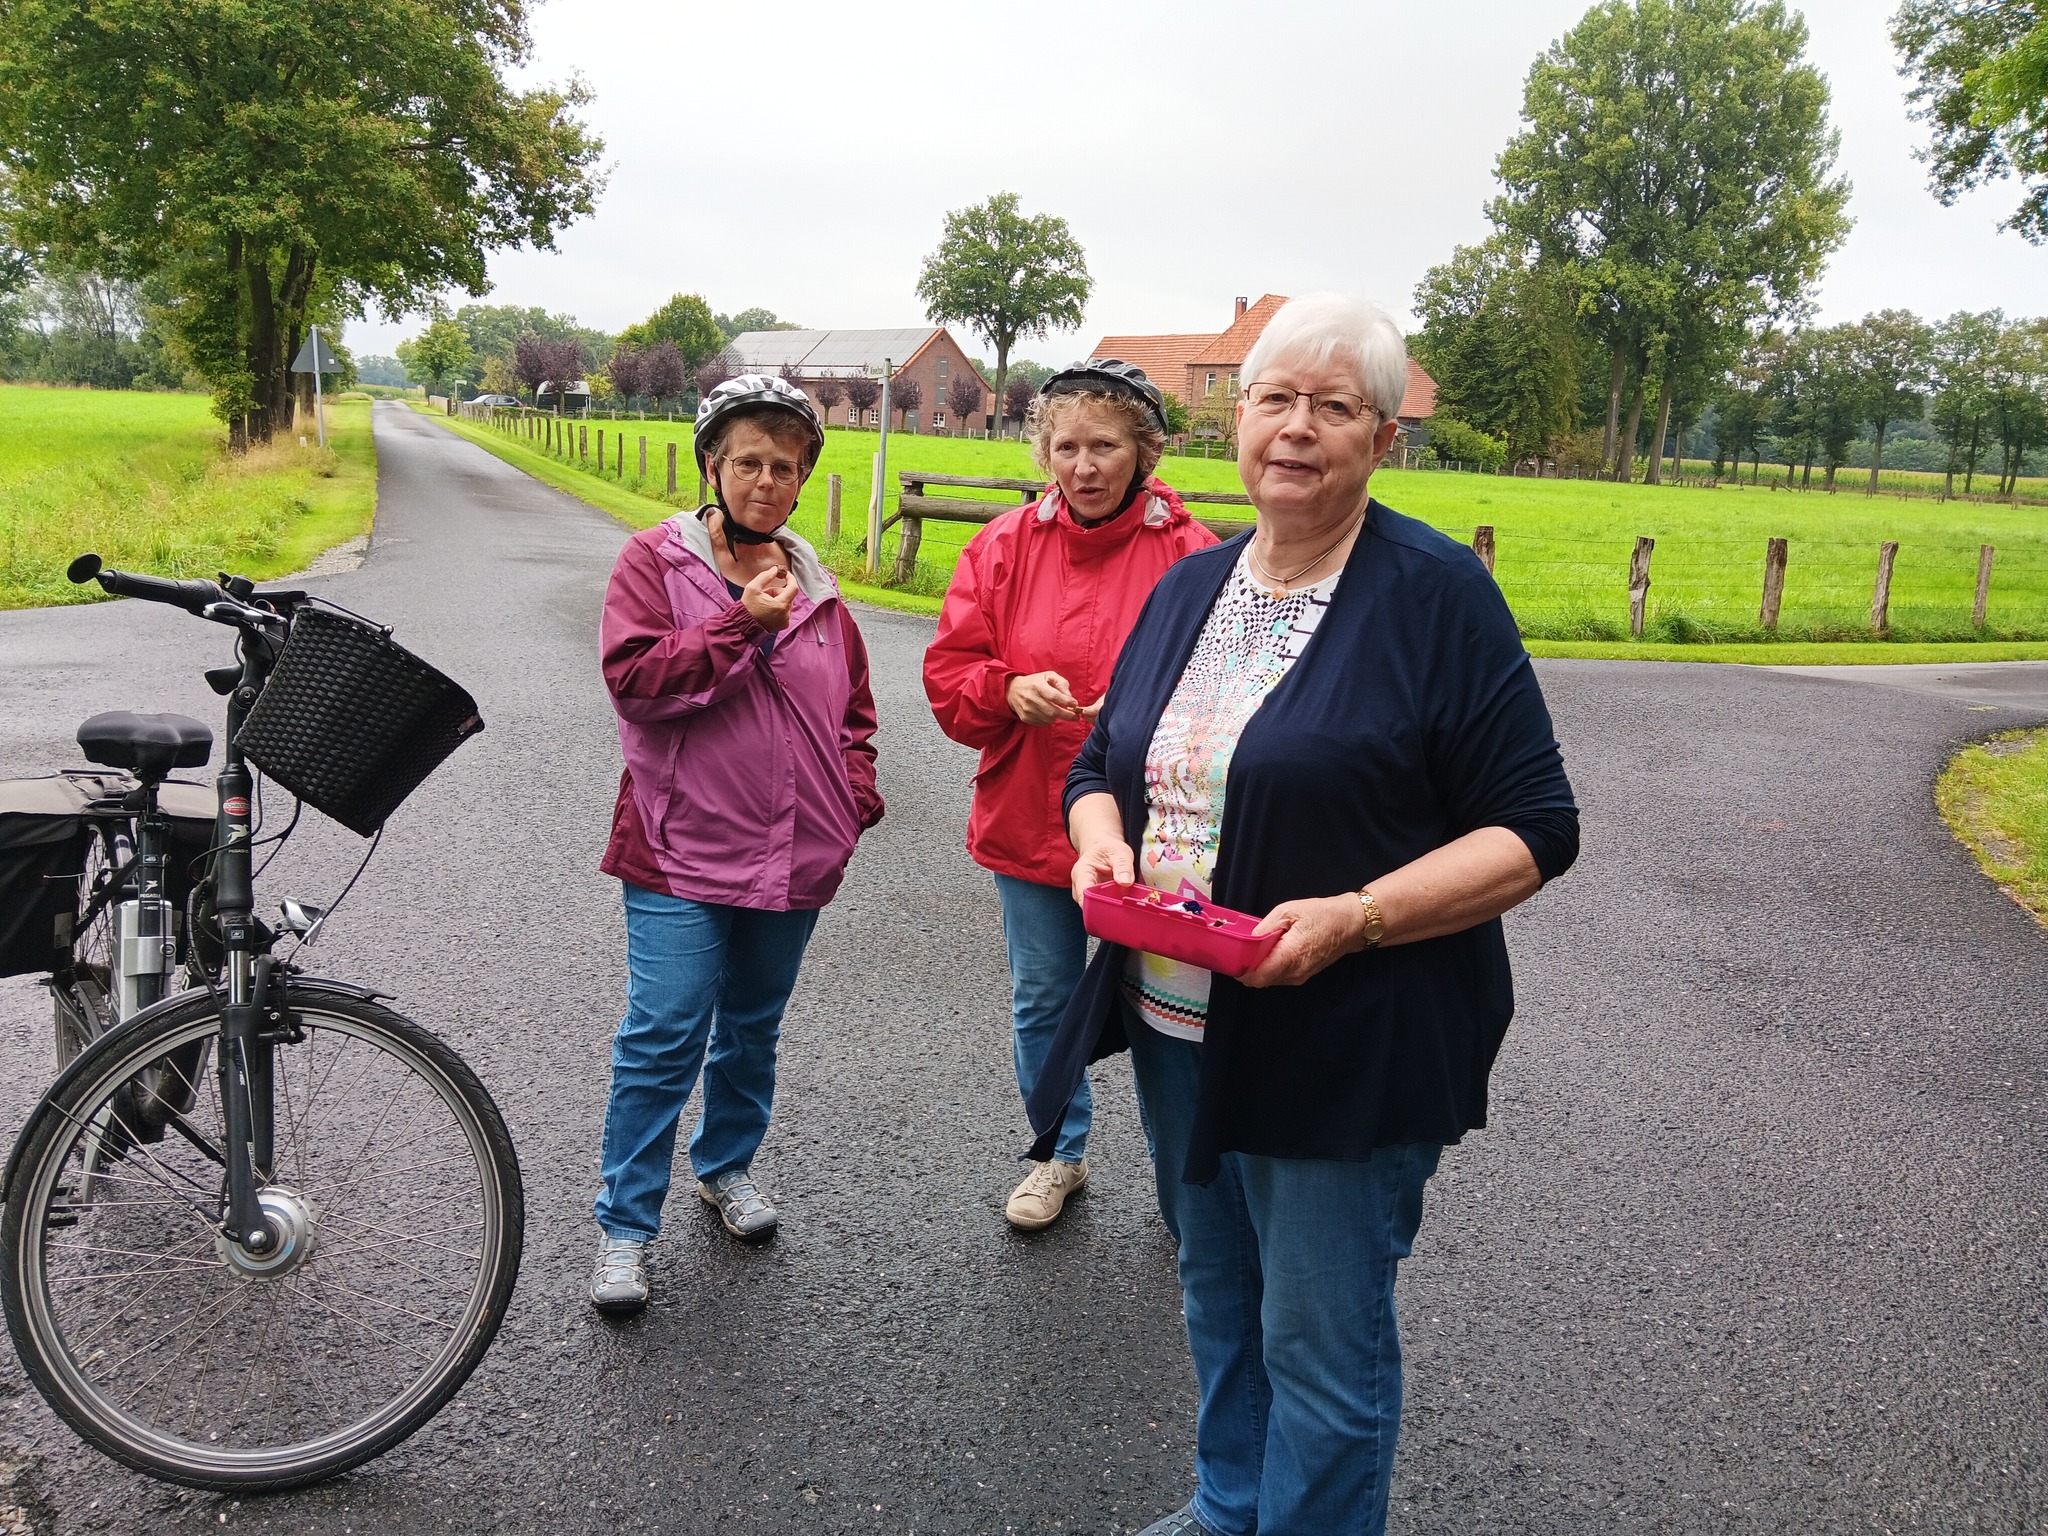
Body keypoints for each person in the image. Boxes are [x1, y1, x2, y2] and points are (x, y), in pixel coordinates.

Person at [1025, 295, 1580, 1536]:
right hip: (1175, 1018)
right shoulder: (1192, 586)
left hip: (1345, 1036)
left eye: (1333, 407)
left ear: (1381, 439)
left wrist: (1358, 916)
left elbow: (1534, 830)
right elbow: (1099, 763)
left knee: (1320, 1345)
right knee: (1217, 1298)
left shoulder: (1433, 597)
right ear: (1238, 420)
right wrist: (1099, 838)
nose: (1294, 428)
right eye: (1274, 399)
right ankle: (1230, 1507)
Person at [589, 374, 884, 1316]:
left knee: (752, 1030)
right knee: (664, 1034)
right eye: (748, 461)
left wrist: (853, 797)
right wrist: (736, 625)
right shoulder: (656, 562)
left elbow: (856, 713)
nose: (767, 480)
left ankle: (726, 1169)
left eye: (785, 467)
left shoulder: (818, 585)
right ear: (712, 465)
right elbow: (634, 680)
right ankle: (626, 1228)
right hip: (680, 849)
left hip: (795, 854)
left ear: (802, 481)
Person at [923, 361, 1217, 1231]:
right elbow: (949, 675)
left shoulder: (1194, 557)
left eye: (1105, 446)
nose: (1084, 466)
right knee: (1045, 1000)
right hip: (1029, 815)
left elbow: (1233, 697)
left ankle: (1188, 1188)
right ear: (1044, 449)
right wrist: (1006, 690)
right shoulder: (1003, 547)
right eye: (1067, 446)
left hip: (1165, 832)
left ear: (1145, 452)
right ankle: (1059, 1154)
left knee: (1176, 1012)